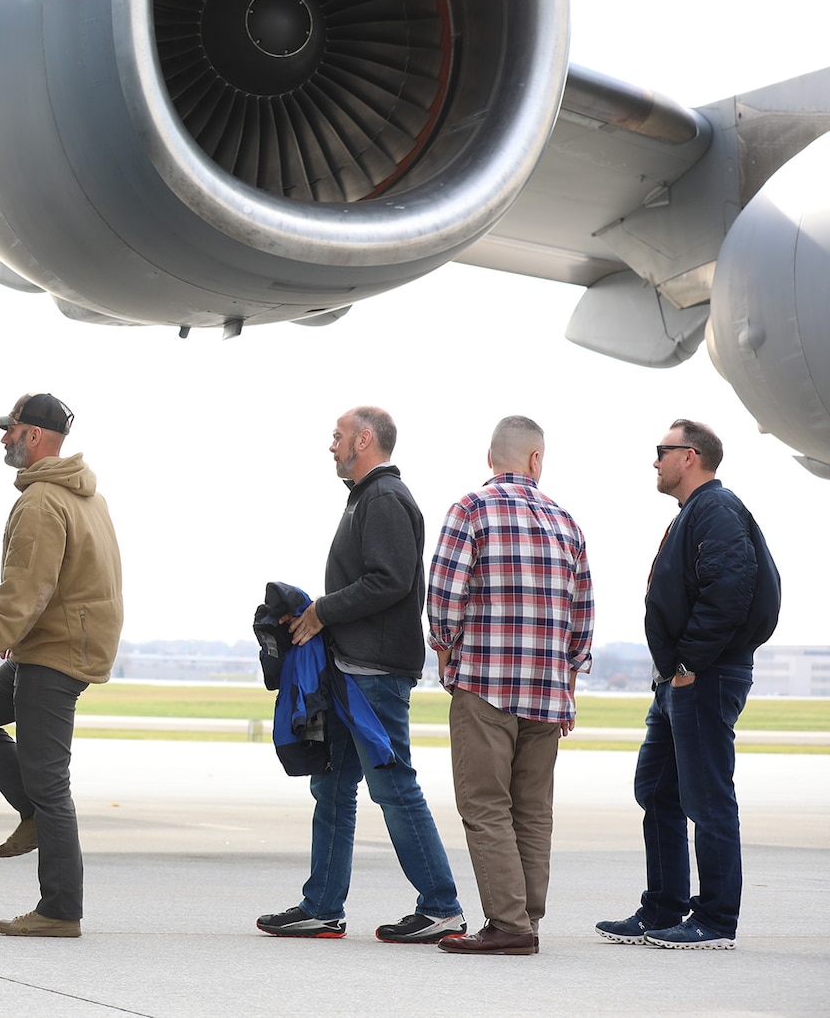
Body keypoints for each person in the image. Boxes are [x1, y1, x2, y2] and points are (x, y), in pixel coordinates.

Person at [256, 406, 466, 944]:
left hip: (373, 675)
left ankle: (442, 906)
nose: (332, 445)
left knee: (393, 787)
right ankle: (322, 907)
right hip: (352, 671)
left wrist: (322, 610)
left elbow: (390, 581)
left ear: (364, 440)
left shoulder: (385, 499)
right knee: (332, 787)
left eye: (338, 436)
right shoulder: (367, 498)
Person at [596, 419, 781, 950]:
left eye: (663, 451)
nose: (655, 461)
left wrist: (689, 664)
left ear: (690, 457)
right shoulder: (694, 514)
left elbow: (732, 590)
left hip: (703, 676)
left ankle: (716, 920)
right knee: (656, 789)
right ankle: (663, 909)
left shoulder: (716, 510)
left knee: (708, 797)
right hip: (679, 679)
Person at [0, 393, 123, 939]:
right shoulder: (80, 493)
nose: (4, 437)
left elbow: (24, 592)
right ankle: (31, 815)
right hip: (56, 643)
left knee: (50, 785)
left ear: (35, 436)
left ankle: (60, 910)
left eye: (12, 428)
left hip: (58, 652)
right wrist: (17, 636)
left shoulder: (44, 500)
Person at [427, 416, 594, 956]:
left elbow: (443, 600)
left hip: (485, 685)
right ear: (535, 460)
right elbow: (581, 615)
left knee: (484, 805)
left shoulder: (470, 509)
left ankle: (508, 925)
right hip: (548, 695)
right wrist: (566, 686)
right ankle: (528, 920)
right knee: (533, 811)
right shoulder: (567, 522)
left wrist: (450, 659)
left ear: (492, 458)